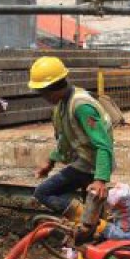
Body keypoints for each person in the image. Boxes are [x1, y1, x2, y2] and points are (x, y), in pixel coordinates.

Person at [30, 56, 116, 241]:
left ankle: (92, 225)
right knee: (90, 210)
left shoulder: (80, 105)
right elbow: (65, 138)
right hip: (84, 162)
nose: (42, 97)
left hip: (91, 165)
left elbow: (103, 143)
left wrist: (101, 180)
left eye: (42, 93)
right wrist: (50, 162)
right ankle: (94, 227)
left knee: (43, 192)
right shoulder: (62, 105)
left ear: (51, 89)